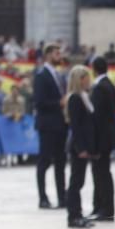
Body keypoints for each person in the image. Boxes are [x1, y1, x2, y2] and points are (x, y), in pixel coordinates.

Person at [33, 43, 68, 209]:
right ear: (47, 55)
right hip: (47, 125)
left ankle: (62, 197)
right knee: (44, 161)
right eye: (56, 53)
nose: (59, 56)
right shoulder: (41, 75)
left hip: (60, 124)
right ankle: (43, 197)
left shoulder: (59, 75)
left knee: (60, 161)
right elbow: (40, 102)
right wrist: (59, 103)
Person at [63, 65, 96, 229]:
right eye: (86, 77)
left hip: (83, 145)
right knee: (75, 182)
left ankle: (78, 213)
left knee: (79, 181)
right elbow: (76, 125)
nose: (88, 80)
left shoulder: (84, 96)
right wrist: (81, 148)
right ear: (80, 79)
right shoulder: (75, 98)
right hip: (77, 146)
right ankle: (73, 215)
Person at [90, 57, 115, 222]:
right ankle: (99, 206)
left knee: (101, 174)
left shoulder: (100, 87)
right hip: (107, 136)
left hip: (101, 138)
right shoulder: (109, 85)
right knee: (101, 172)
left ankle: (105, 209)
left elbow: (97, 115)